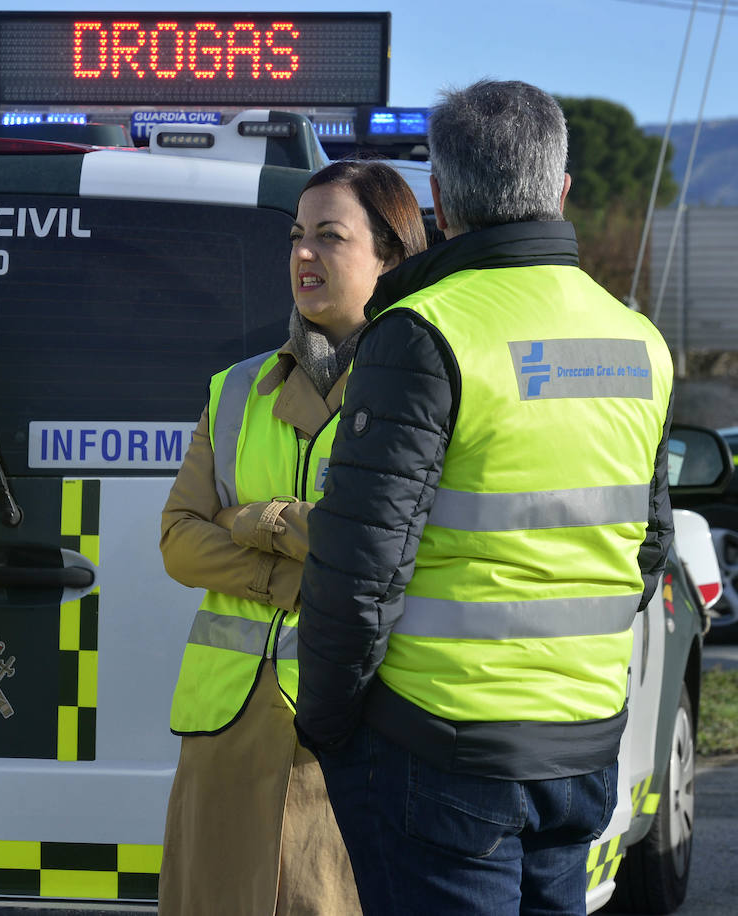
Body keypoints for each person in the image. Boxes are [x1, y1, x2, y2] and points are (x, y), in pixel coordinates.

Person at [296, 80, 675, 915]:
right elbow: (649, 547)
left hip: (441, 745)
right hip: (581, 743)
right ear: (562, 188)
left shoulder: (423, 330)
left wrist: (325, 722)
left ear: (437, 197)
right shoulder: (639, 340)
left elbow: (360, 566)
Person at [157, 159, 428, 915]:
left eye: (330, 237)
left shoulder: (421, 385)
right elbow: (180, 539)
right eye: (296, 236)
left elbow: (392, 543)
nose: (303, 255)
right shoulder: (238, 386)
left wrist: (258, 521)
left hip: (349, 722)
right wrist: (300, 570)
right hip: (227, 725)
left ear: (391, 256)